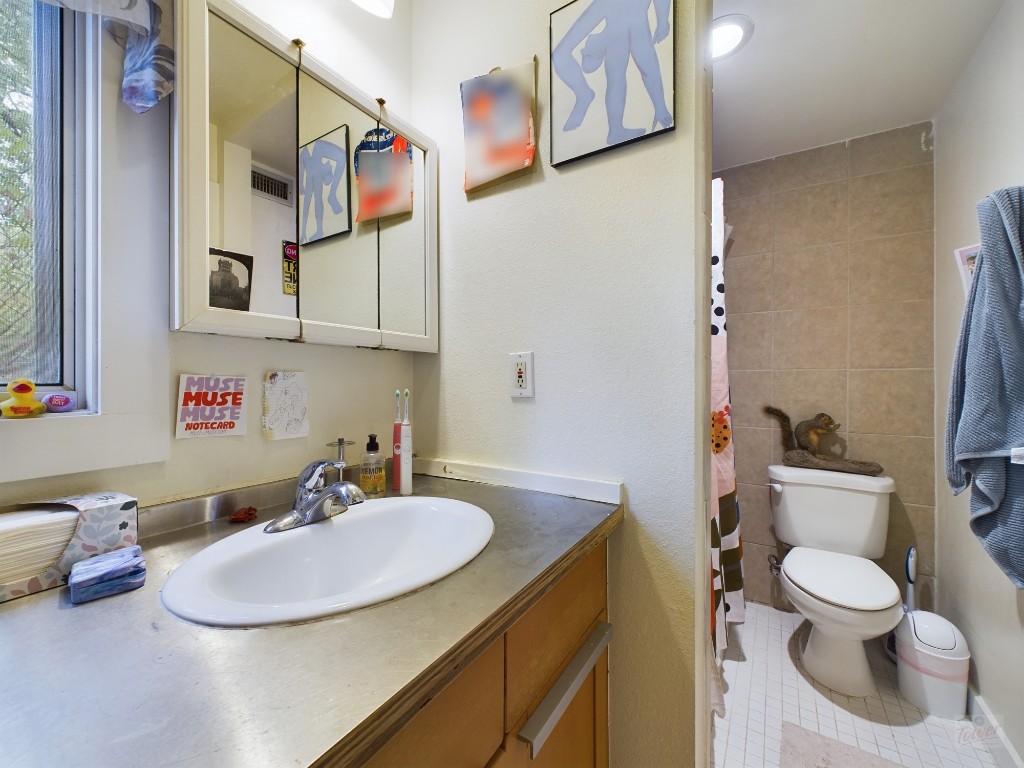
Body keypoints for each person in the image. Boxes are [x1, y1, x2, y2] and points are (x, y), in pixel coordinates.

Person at [552, 0, 672, 145]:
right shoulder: (621, 30)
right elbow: (648, 68)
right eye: (593, 56)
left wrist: (663, 21)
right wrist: (660, 108)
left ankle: (613, 127)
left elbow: (648, 68)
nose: (591, 57)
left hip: (627, 13)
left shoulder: (631, 26)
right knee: (560, 55)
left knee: (616, 75)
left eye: (589, 55)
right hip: (613, 8)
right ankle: (586, 96)